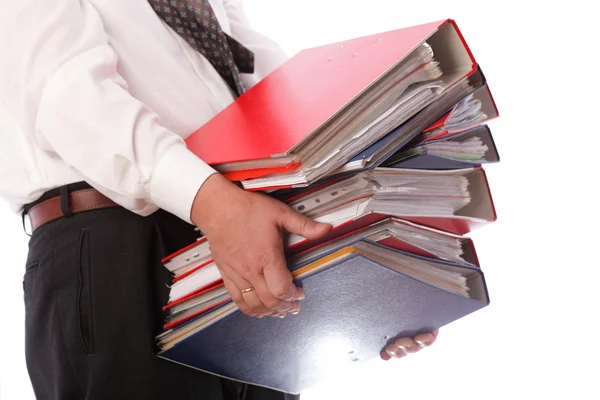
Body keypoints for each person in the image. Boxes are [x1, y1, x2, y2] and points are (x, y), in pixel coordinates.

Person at [0, 1, 438, 399]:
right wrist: (214, 206)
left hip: (247, 237)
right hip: (123, 240)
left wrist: (372, 281)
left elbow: (288, 108)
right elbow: (72, 103)